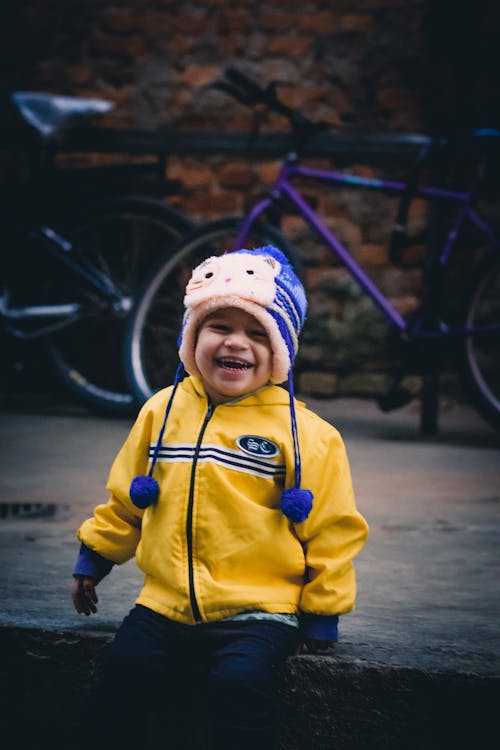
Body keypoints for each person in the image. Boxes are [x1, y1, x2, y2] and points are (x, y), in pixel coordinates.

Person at [71, 245, 369, 750]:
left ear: (280, 350)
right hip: (162, 605)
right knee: (123, 675)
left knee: (239, 686)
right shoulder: (160, 413)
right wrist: (93, 558)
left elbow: (332, 529)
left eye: (257, 332)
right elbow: (128, 495)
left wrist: (322, 612)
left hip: (259, 610)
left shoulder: (308, 436)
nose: (237, 343)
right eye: (219, 327)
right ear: (193, 336)